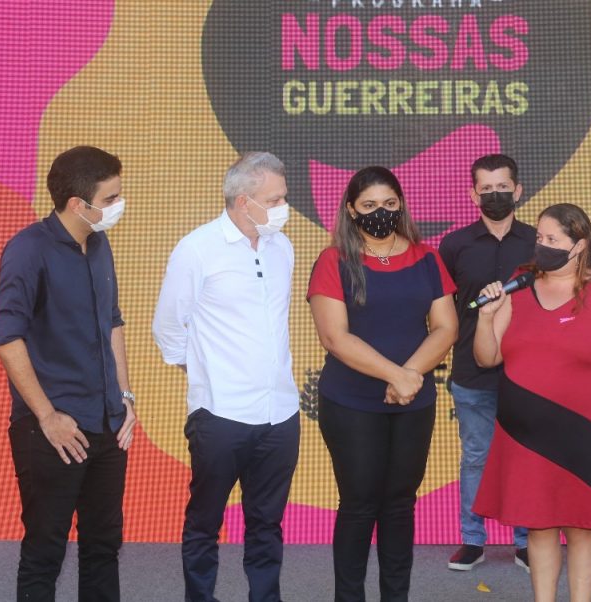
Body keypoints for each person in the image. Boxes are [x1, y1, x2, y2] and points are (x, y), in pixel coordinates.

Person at [472, 203, 591, 602]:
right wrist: (486, 317)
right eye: (539, 237)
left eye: (553, 239)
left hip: (584, 434)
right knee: (538, 525)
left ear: (580, 245)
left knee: (582, 526)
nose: (542, 246)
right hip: (524, 436)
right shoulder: (519, 284)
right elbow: (487, 357)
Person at [153, 152, 301, 602]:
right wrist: (201, 370)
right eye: (274, 200)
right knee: (205, 521)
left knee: (267, 523)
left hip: (281, 413)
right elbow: (168, 326)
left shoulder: (282, 248)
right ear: (243, 202)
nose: (283, 207)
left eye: (284, 198)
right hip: (220, 414)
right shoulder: (197, 249)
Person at [0, 146, 137, 601]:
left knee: (103, 547)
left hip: (108, 425)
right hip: (54, 432)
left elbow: (112, 322)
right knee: (44, 552)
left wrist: (125, 397)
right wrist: (48, 416)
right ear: (78, 203)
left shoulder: (100, 243)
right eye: (110, 198)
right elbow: (6, 337)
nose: (119, 205)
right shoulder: (28, 249)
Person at [308, 166, 458, 601]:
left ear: (401, 205)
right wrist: (398, 376)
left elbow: (445, 327)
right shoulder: (334, 260)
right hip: (351, 402)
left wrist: (409, 379)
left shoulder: (427, 258)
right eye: (370, 205)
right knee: (359, 504)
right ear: (351, 210)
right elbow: (335, 337)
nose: (381, 212)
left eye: (390, 204)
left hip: (413, 403)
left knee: (399, 504)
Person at [438, 154, 535, 572]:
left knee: (525, 456)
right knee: (477, 455)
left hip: (527, 371)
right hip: (471, 369)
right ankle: (472, 539)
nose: (495, 195)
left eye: (503, 188)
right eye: (487, 189)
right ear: (473, 194)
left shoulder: (538, 241)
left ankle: (527, 540)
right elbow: (442, 308)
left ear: (518, 190)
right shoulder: (454, 245)